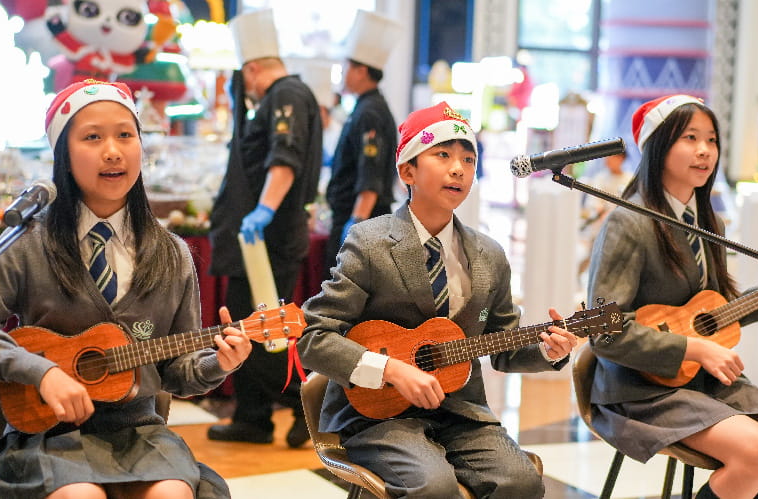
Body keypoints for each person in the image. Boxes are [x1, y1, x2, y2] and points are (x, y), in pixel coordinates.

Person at [0, 79, 252, 499]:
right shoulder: (28, 241)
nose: (113, 150)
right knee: (80, 495)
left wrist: (220, 363)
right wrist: (42, 372)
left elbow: (178, 374)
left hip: (138, 432)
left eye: (126, 135)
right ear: (63, 155)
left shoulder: (171, 254)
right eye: (93, 137)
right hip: (47, 434)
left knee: (172, 493)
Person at [297, 101, 580, 498]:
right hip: (374, 415)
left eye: (468, 158)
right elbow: (314, 337)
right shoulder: (370, 242)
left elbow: (504, 344)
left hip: (461, 412)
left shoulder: (489, 256)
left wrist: (550, 351)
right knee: (434, 487)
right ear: (407, 171)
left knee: (522, 483)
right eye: (442, 155)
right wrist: (392, 370)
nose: (458, 168)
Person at [586, 94, 758, 499]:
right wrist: (694, 349)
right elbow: (604, 334)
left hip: (705, 382)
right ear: (658, 145)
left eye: (712, 139)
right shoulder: (628, 222)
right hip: (641, 389)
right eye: (690, 138)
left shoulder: (710, 221)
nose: (705, 151)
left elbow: (713, 314)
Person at [207, 9, 322, 448]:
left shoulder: (285, 93)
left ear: (253, 69)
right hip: (259, 240)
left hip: (265, 243)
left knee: (261, 332)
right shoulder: (290, 93)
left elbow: (284, 158)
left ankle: (303, 407)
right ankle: (252, 418)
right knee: (249, 327)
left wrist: (263, 212)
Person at [323, 10, 402, 277]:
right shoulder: (366, 106)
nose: (343, 74)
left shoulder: (370, 112)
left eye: (346, 67)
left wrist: (356, 225)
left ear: (361, 70)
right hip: (358, 221)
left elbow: (371, 175)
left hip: (363, 224)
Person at [578, 149, 632, 275]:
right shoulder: (601, 178)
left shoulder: (629, 179)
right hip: (600, 227)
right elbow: (594, 203)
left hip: (622, 228)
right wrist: (602, 212)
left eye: (612, 156)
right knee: (595, 259)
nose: (607, 160)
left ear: (621, 158)